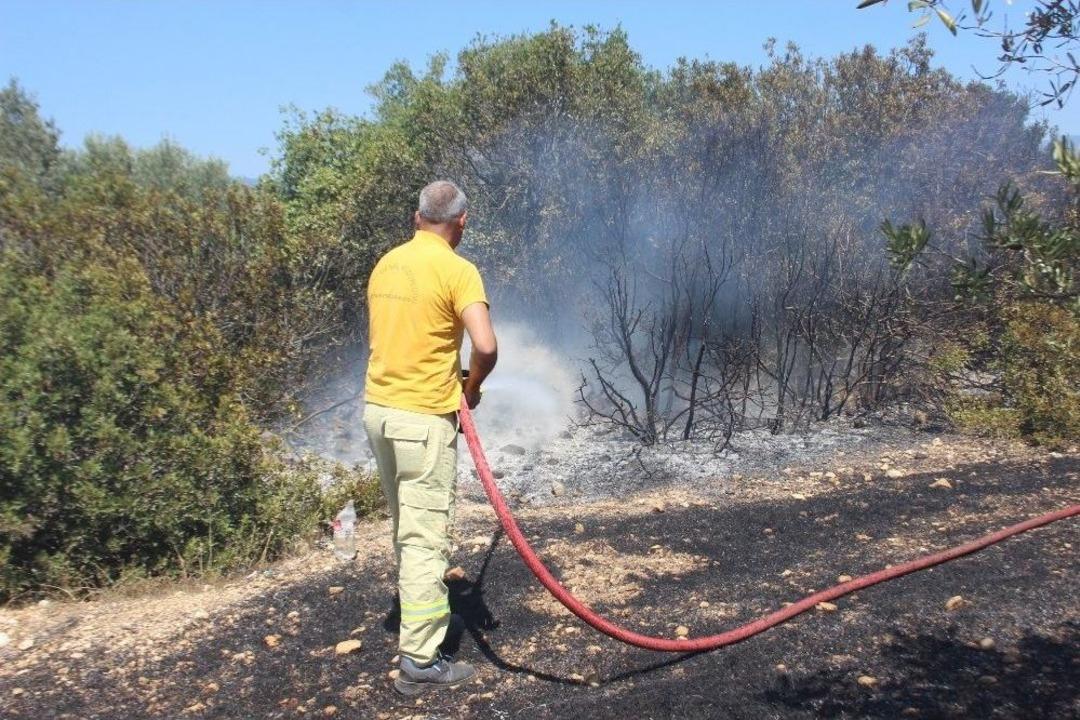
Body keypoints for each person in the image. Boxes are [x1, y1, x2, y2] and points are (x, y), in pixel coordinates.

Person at [362, 180, 498, 695]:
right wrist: (472, 386)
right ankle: (420, 660)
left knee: (406, 526)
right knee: (425, 538)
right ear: (461, 222)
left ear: (417, 217)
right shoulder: (457, 270)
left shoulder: (386, 263)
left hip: (379, 412)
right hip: (422, 420)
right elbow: (485, 345)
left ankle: (413, 619)